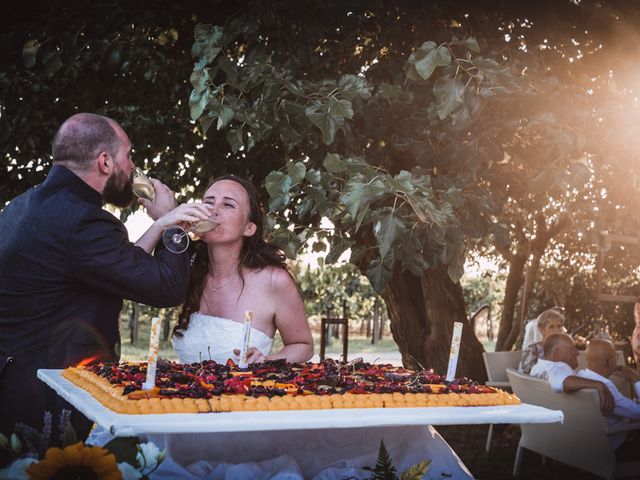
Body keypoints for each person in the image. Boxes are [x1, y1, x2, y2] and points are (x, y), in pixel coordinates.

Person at [0, 113, 211, 464]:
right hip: (49, 397)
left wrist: (159, 224)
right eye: (129, 155)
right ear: (105, 161)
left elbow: (119, 265)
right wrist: (176, 223)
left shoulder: (20, 207)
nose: (132, 167)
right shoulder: (84, 220)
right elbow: (166, 288)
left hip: (12, 384)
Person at [171, 175, 314, 364]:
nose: (213, 210)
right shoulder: (189, 271)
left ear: (249, 228)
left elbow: (303, 346)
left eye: (228, 205)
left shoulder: (274, 280)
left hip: (245, 393)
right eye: (208, 202)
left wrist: (266, 361)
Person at [576, 339, 640, 454]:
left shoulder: (580, 376)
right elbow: (638, 413)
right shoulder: (605, 387)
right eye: (615, 356)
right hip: (616, 444)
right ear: (610, 362)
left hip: (591, 443)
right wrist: (637, 379)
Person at [530, 333, 615, 416]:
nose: (577, 353)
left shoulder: (537, 367)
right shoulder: (558, 367)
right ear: (556, 353)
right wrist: (600, 385)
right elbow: (564, 382)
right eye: (572, 349)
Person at [518, 309, 565, 374]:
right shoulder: (533, 350)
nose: (556, 330)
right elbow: (523, 375)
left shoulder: (564, 349)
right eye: (551, 327)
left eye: (559, 326)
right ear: (542, 330)